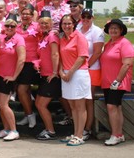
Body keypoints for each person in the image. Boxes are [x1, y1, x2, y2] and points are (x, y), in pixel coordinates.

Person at [100, 19, 134, 146]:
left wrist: (117, 81)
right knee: (116, 107)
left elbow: (127, 64)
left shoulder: (124, 43)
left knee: (111, 106)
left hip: (118, 82)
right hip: (107, 82)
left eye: (116, 28)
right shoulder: (109, 43)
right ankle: (119, 135)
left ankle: (115, 135)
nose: (113, 30)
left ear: (121, 30)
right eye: (111, 28)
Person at [59, 14, 91, 146]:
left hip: (78, 74)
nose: (66, 26)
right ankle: (75, 133)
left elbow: (82, 57)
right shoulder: (63, 39)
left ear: (74, 24)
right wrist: (61, 71)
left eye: (69, 23)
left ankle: (80, 135)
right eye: (64, 23)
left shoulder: (79, 37)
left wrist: (70, 73)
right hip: (66, 74)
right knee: (72, 106)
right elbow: (61, 57)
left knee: (80, 106)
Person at [0, 14, 25, 141]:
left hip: (8, 76)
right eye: (7, 25)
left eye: (12, 26)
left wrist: (14, 76)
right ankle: (6, 129)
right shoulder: (0, 37)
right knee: (0, 105)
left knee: (3, 104)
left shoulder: (19, 39)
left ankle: (14, 130)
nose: (9, 27)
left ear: (16, 27)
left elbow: (21, 59)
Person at [78, 8, 104, 141]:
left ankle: (88, 128)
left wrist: (86, 66)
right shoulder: (78, 28)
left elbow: (97, 52)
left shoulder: (97, 31)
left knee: (88, 100)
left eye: (89, 17)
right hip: (79, 68)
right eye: (84, 16)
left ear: (93, 18)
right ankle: (79, 126)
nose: (86, 19)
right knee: (79, 99)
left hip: (91, 68)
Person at [34, 10, 60, 140]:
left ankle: (51, 131)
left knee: (41, 105)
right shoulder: (43, 37)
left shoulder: (52, 36)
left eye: (46, 23)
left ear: (51, 24)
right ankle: (48, 128)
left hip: (51, 76)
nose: (43, 25)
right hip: (44, 75)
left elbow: (55, 54)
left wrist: (55, 72)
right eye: (41, 23)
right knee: (38, 103)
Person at [15, 5, 40, 129]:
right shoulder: (17, 27)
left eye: (28, 14)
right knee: (24, 91)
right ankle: (27, 113)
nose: (25, 16)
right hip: (19, 62)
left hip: (32, 62)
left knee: (22, 90)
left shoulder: (37, 27)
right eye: (23, 13)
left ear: (32, 15)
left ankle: (31, 115)